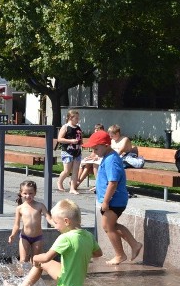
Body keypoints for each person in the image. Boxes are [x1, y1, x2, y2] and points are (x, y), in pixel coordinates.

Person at [89, 129, 143, 265]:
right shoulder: (108, 157)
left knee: (107, 226)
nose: (94, 152)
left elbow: (113, 182)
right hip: (113, 199)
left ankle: (120, 255)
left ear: (106, 145)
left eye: (96, 149)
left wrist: (106, 201)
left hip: (114, 200)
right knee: (112, 225)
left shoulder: (112, 159)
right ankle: (134, 245)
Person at [8, 180, 54, 263]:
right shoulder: (20, 208)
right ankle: (22, 275)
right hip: (24, 237)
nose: (28, 195)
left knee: (35, 261)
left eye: (31, 193)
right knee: (23, 260)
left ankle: (33, 276)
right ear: (21, 193)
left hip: (37, 238)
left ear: (35, 193)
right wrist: (13, 234)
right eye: (25, 193)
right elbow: (16, 225)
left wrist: (55, 224)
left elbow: (48, 218)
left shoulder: (40, 206)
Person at [56, 110, 83, 194]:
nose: (78, 120)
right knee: (67, 171)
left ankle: (72, 188)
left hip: (77, 151)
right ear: (71, 118)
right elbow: (59, 139)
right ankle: (59, 182)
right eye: (76, 118)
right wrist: (70, 140)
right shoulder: (65, 127)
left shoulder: (78, 128)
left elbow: (80, 137)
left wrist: (81, 141)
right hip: (67, 151)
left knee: (75, 171)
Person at [76, 123, 105, 189]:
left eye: (98, 130)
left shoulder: (103, 138)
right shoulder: (95, 137)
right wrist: (90, 157)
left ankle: (78, 182)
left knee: (90, 164)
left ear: (102, 130)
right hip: (96, 156)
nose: (96, 131)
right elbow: (94, 151)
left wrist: (95, 157)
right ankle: (77, 181)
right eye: (95, 129)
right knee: (86, 163)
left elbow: (102, 151)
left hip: (101, 157)